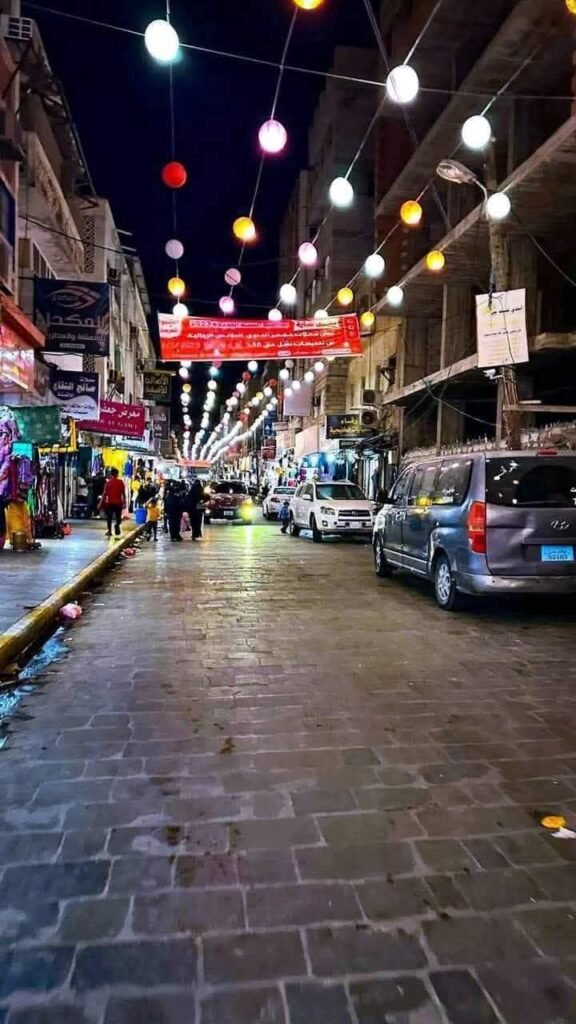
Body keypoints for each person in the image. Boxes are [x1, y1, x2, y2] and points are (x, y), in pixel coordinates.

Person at [99, 468, 126, 538]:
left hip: (110, 503)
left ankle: (109, 531)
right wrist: (124, 502)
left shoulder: (108, 483)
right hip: (118, 503)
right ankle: (117, 524)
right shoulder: (120, 482)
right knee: (118, 517)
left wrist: (100, 503)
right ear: (117, 474)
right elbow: (123, 493)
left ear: (111, 474)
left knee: (109, 517)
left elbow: (104, 494)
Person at [187, 476, 205, 540]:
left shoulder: (191, 491)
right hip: (199, 508)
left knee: (193, 521)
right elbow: (205, 498)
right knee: (198, 522)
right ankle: (196, 534)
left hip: (192, 508)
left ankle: (194, 534)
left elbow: (188, 499)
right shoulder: (201, 491)